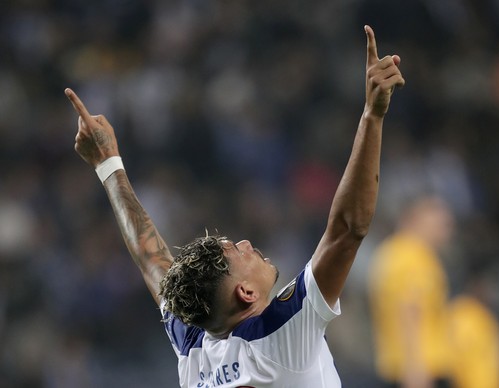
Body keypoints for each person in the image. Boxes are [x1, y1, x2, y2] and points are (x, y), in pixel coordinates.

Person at [65, 25, 405, 388]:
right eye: (236, 252)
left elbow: (152, 259)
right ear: (246, 294)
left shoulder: (195, 351)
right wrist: (373, 114)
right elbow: (347, 229)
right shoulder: (282, 335)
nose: (246, 244)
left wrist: (109, 165)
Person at [368, 195, 455, 388]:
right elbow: (408, 311)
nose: (446, 229)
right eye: (439, 223)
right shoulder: (411, 255)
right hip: (420, 370)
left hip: (403, 367)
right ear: (414, 219)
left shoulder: (395, 252)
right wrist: (415, 371)